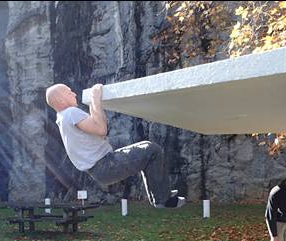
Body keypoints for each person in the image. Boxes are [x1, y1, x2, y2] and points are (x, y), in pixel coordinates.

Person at [45, 83, 185, 208]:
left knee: (145, 147)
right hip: (105, 166)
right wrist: (95, 98)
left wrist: (94, 102)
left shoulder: (62, 117)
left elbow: (95, 124)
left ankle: (161, 191)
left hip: (100, 168)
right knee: (152, 150)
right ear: (61, 100)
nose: (74, 94)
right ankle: (162, 199)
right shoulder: (71, 113)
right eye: (69, 92)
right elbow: (101, 129)